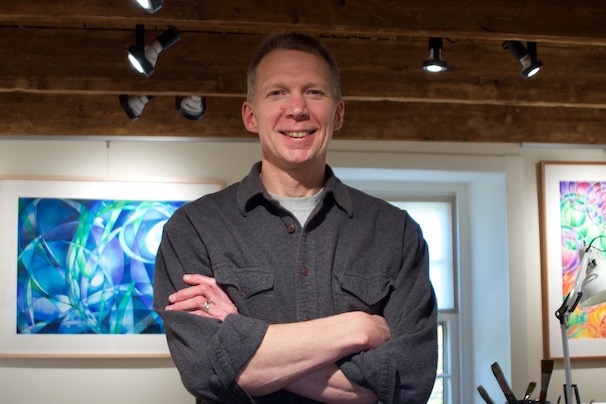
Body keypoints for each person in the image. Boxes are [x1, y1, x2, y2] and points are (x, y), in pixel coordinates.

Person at [153, 32, 438, 404]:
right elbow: (205, 372)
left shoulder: (396, 232)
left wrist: (241, 341)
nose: (297, 109)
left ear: (338, 114)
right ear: (250, 116)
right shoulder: (193, 229)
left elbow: (410, 383)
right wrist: (355, 328)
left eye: (314, 92)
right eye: (277, 93)